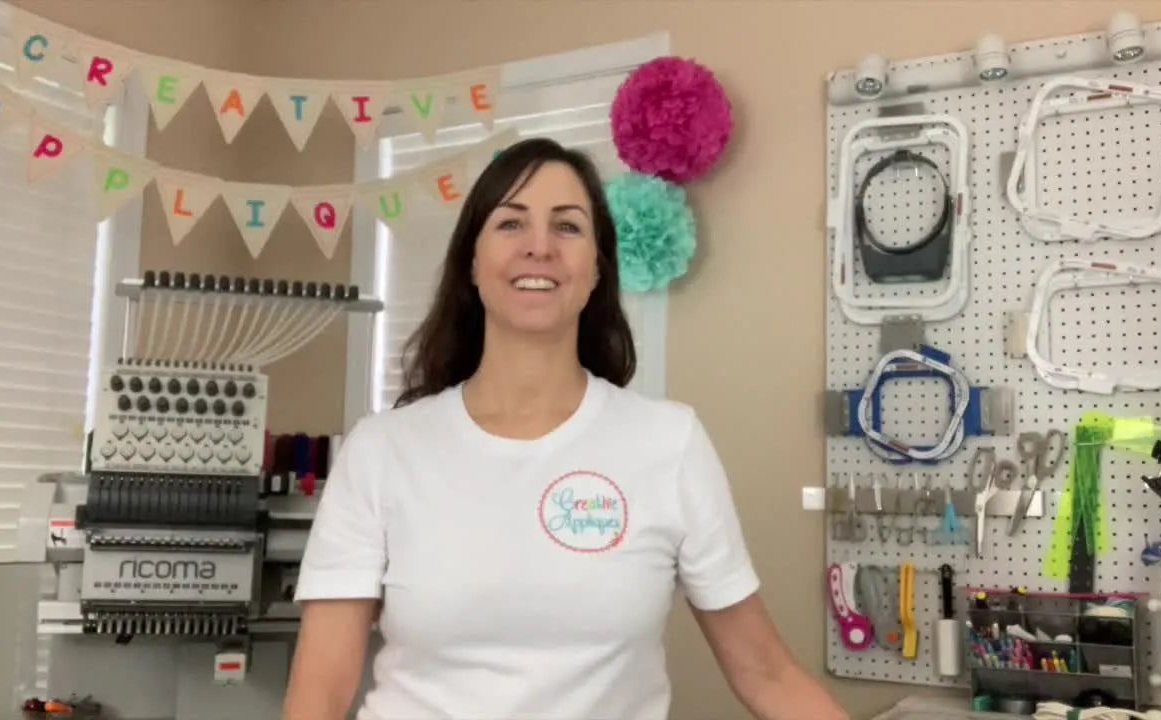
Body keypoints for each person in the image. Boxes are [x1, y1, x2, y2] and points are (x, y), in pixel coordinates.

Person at [281, 137, 847, 720]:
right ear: (471, 263)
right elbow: (318, 696)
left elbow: (766, 673)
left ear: (598, 267)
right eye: (510, 224)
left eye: (568, 227)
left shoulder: (668, 443)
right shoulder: (381, 451)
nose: (540, 247)